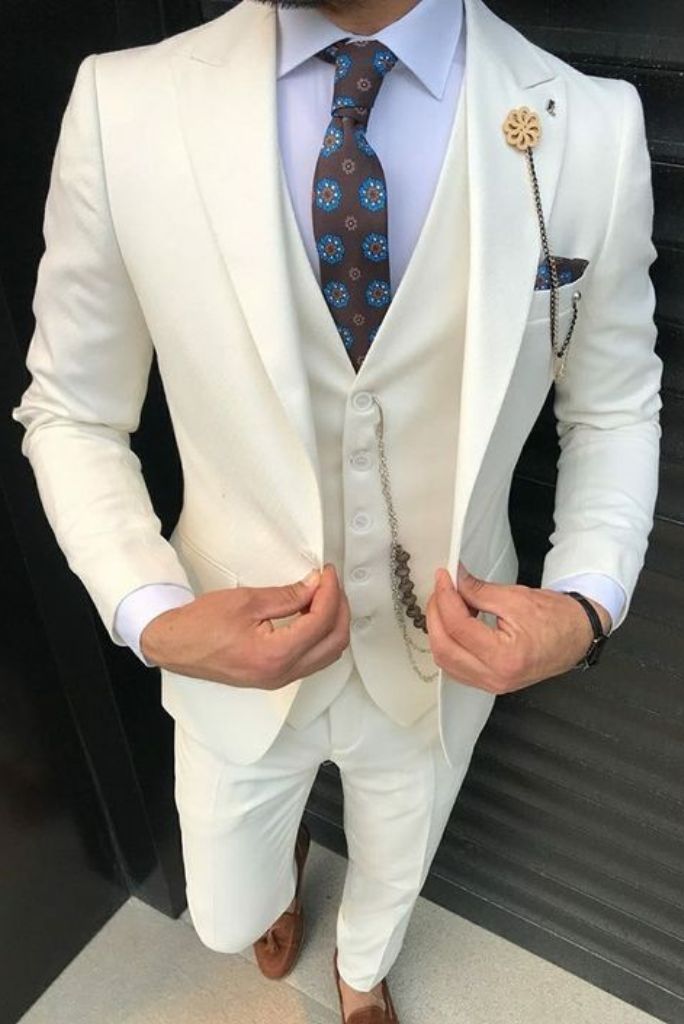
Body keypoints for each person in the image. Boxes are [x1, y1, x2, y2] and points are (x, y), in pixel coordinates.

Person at [12, 0, 662, 1020]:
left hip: (444, 652)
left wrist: (586, 602)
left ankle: (361, 974)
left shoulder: (591, 125)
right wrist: (152, 614)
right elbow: (71, 411)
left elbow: (615, 404)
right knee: (225, 915)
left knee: (398, 867)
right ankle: (280, 874)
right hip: (228, 644)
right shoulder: (125, 103)